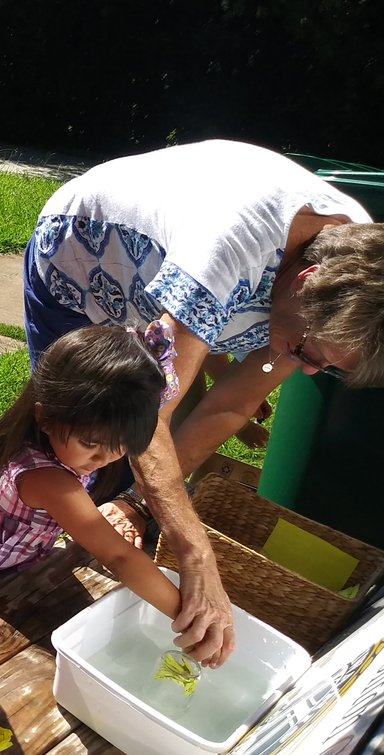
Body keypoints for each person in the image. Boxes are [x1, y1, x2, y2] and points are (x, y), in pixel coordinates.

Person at [23, 139, 384, 668]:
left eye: (326, 367)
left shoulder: (350, 258)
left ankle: (100, 534)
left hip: (163, 291)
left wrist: (142, 506)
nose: (306, 368)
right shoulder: (232, 249)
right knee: (77, 438)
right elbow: (150, 418)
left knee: (122, 479)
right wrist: (196, 555)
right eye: (310, 353)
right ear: (305, 284)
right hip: (79, 263)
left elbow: (229, 407)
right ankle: (18, 550)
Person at [0, 325, 183, 621]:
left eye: (122, 446)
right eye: (90, 444)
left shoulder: (52, 444)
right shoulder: (48, 481)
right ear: (46, 416)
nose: (104, 458)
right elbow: (118, 556)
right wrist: (184, 615)